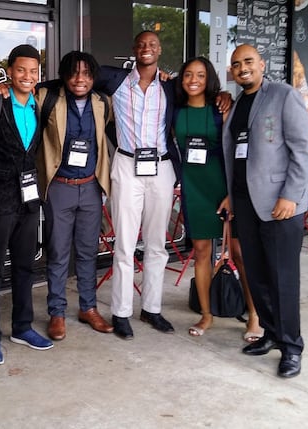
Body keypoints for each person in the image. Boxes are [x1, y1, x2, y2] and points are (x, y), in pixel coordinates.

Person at [222, 44, 308, 378]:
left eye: (248, 62)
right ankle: (272, 334)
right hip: (246, 203)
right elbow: (237, 155)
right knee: (258, 275)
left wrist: (290, 194)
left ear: (262, 64)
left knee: (283, 279)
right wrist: (232, 197)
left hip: (281, 204)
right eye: (236, 64)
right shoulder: (236, 106)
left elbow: (303, 149)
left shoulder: (282, 94)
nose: (242, 68)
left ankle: (292, 347)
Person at [93, 31, 181, 340]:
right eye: (142, 44)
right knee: (125, 243)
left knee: (157, 243)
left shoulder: (171, 86)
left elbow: (202, 95)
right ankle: (121, 313)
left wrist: (223, 97)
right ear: (134, 49)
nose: (147, 48)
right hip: (127, 165)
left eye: (153, 44)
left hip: (161, 167)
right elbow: (75, 73)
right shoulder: (115, 80)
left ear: (160, 50)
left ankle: (152, 308)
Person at [172, 57, 262, 341]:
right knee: (200, 252)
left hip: (223, 187)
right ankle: (207, 314)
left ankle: (255, 316)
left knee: (239, 253)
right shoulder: (175, 111)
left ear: (209, 78)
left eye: (199, 74)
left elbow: (237, 152)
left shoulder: (222, 109)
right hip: (193, 187)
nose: (193, 80)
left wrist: (231, 194)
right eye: (187, 75)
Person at [0, 44, 53, 366]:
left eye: (33, 71)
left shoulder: (40, 104)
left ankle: (22, 327)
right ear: (9, 71)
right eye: (21, 70)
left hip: (29, 196)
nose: (27, 76)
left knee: (26, 266)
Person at [38, 51, 114, 341]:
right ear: (64, 75)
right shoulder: (47, 97)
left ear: (94, 77)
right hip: (60, 186)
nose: (80, 79)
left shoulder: (102, 102)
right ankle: (57, 313)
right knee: (58, 253)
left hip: (91, 187)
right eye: (74, 73)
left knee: (87, 252)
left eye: (86, 73)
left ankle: (88, 307)